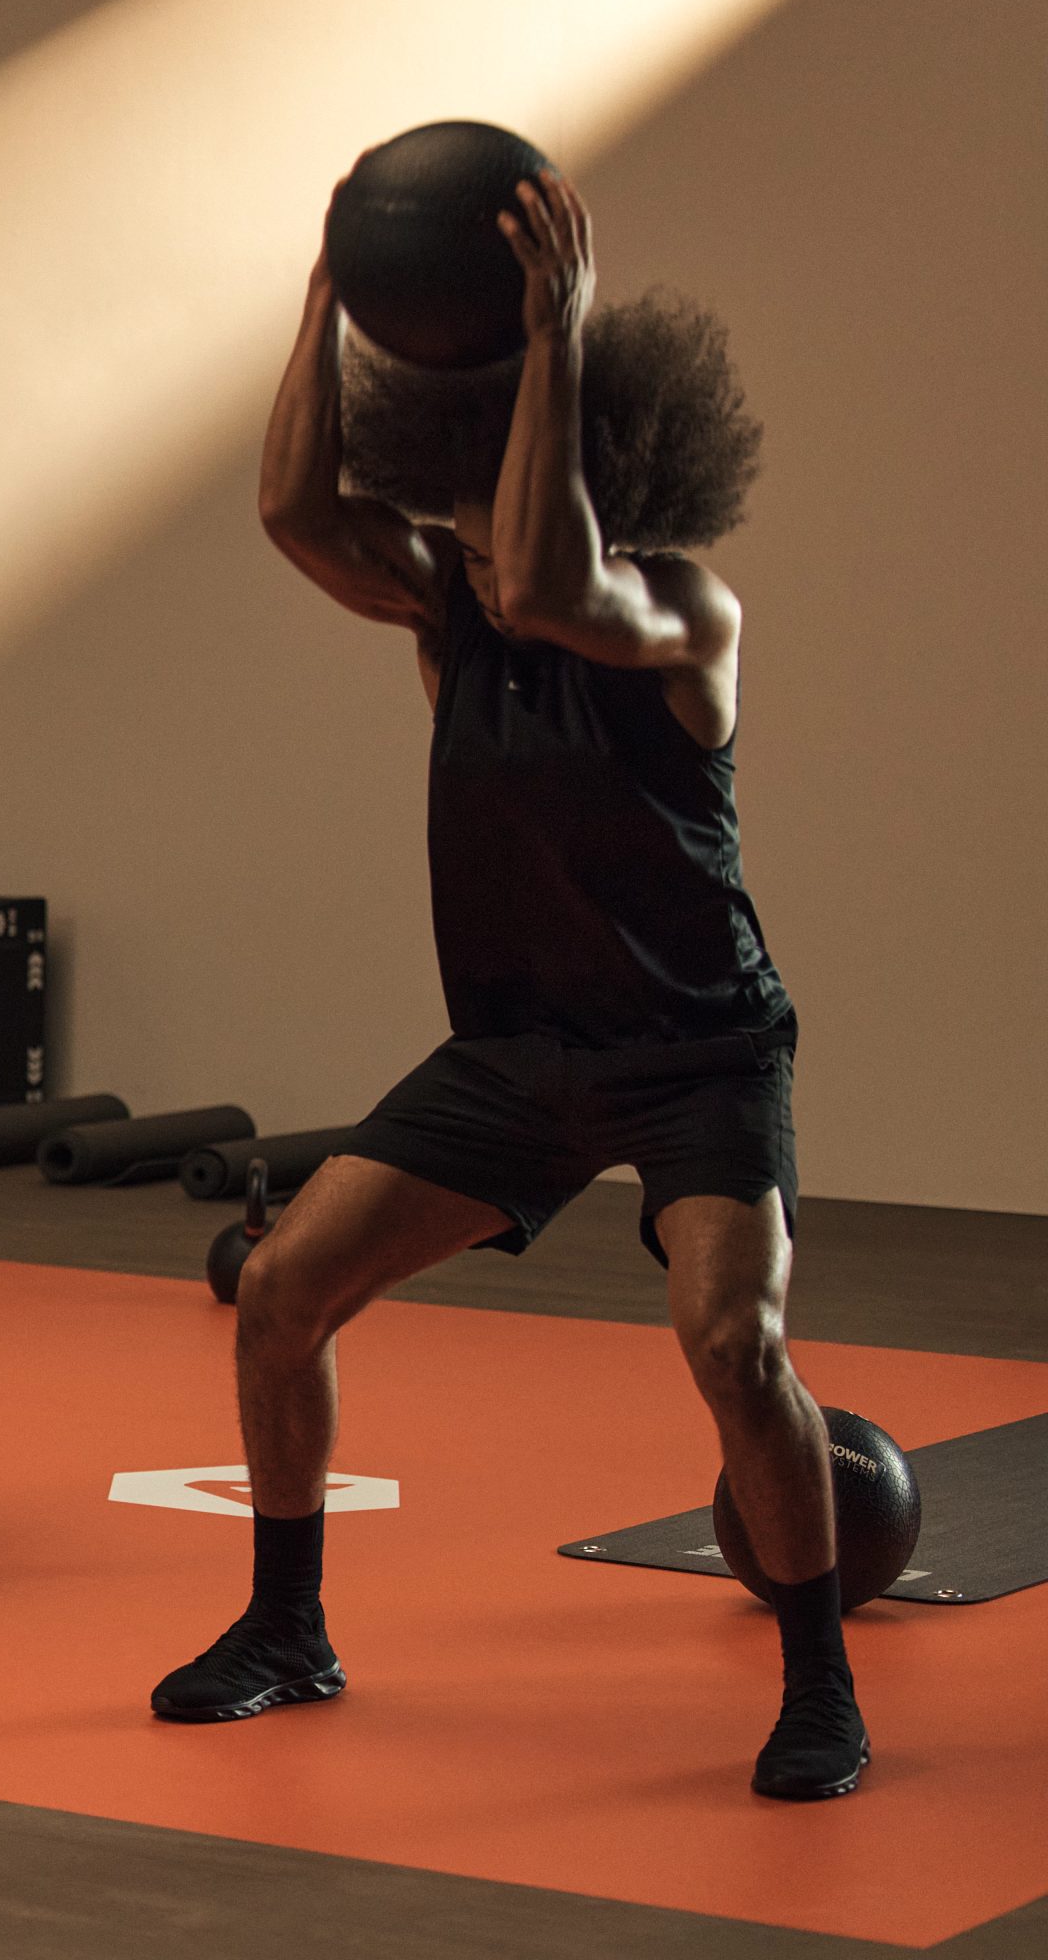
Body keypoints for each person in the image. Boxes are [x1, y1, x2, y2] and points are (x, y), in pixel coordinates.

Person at [154, 169, 867, 1802]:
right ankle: (286, 1627)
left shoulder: (679, 610)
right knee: (281, 1289)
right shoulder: (445, 614)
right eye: (454, 514)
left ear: (588, 484)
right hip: (515, 1054)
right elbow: (290, 513)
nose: (464, 549)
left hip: (694, 1050)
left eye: (486, 510)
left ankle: (817, 1678)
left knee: (730, 1339)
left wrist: (555, 329)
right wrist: (324, 303)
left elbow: (554, 580)